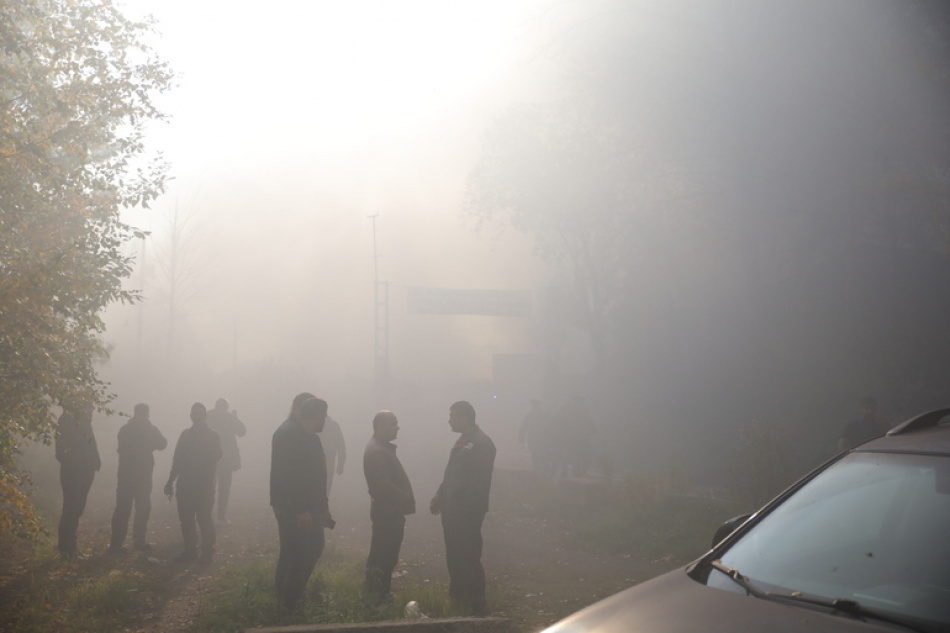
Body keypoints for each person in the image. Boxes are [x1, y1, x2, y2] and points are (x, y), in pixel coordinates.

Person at [429, 401, 496, 614]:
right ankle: (457, 597)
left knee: (468, 555)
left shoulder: (481, 443)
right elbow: (452, 472)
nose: (449, 421)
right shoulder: (462, 440)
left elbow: (478, 482)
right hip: (452, 510)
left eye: (453, 416)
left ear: (464, 418)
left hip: (466, 512)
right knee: (454, 555)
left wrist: (465, 510)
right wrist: (440, 494)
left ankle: (476, 603)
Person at [270, 395, 335, 611]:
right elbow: (288, 477)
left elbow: (319, 476)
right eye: (324, 416)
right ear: (316, 415)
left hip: (311, 506)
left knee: (310, 548)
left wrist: (324, 507)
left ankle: (290, 596)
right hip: (294, 508)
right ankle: (289, 603)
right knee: (298, 553)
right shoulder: (289, 436)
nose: (325, 420)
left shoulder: (312, 439)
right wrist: (300, 510)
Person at [363, 411, 415, 601]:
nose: (397, 427)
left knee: (382, 556)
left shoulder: (380, 448)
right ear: (380, 426)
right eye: (393, 423)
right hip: (388, 513)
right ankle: (378, 598)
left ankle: (375, 596)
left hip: (386, 511)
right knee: (384, 558)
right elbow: (383, 484)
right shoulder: (378, 451)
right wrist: (405, 497)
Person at [164, 402, 221, 564]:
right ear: (191, 416)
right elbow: (177, 459)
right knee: (187, 520)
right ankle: (190, 551)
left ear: (205, 416)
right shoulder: (185, 435)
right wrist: (170, 481)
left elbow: (217, 456)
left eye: (200, 413)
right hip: (185, 484)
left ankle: (208, 551)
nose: (197, 416)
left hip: (205, 485)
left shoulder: (213, 435)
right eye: (195, 414)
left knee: (204, 518)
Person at [109, 403, 167, 552]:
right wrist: (149, 437)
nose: (143, 417)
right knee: (126, 508)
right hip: (130, 475)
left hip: (138, 475)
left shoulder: (133, 429)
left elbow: (163, 444)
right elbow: (125, 449)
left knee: (139, 508)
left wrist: (150, 433)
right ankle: (119, 543)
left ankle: (132, 542)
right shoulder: (129, 430)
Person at [55, 402, 101, 559]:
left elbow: (89, 444)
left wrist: (94, 463)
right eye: (90, 408)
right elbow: (63, 450)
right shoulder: (70, 421)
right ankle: (67, 549)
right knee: (72, 508)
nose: (92, 411)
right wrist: (82, 464)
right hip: (75, 471)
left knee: (75, 508)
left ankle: (69, 547)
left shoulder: (79, 421)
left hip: (82, 470)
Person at [206, 398, 246, 524]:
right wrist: (235, 418)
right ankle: (221, 515)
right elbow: (242, 432)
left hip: (210, 457)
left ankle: (206, 514)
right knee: (224, 487)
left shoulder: (208, 415)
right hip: (226, 458)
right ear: (226, 407)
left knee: (209, 486)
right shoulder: (230, 417)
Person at [518, 399, 554, 481]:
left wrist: (521, 439)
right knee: (541, 457)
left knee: (538, 457)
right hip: (540, 441)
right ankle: (542, 474)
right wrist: (521, 439)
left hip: (538, 441)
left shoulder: (530, 416)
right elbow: (523, 428)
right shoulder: (545, 416)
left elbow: (523, 428)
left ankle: (540, 473)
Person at [319, 415, 347, 494]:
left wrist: (340, 464)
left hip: (325, 461)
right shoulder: (334, 426)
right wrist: (340, 464)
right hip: (327, 461)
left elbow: (341, 447)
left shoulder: (313, 425)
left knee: (324, 485)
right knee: (326, 486)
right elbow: (341, 447)